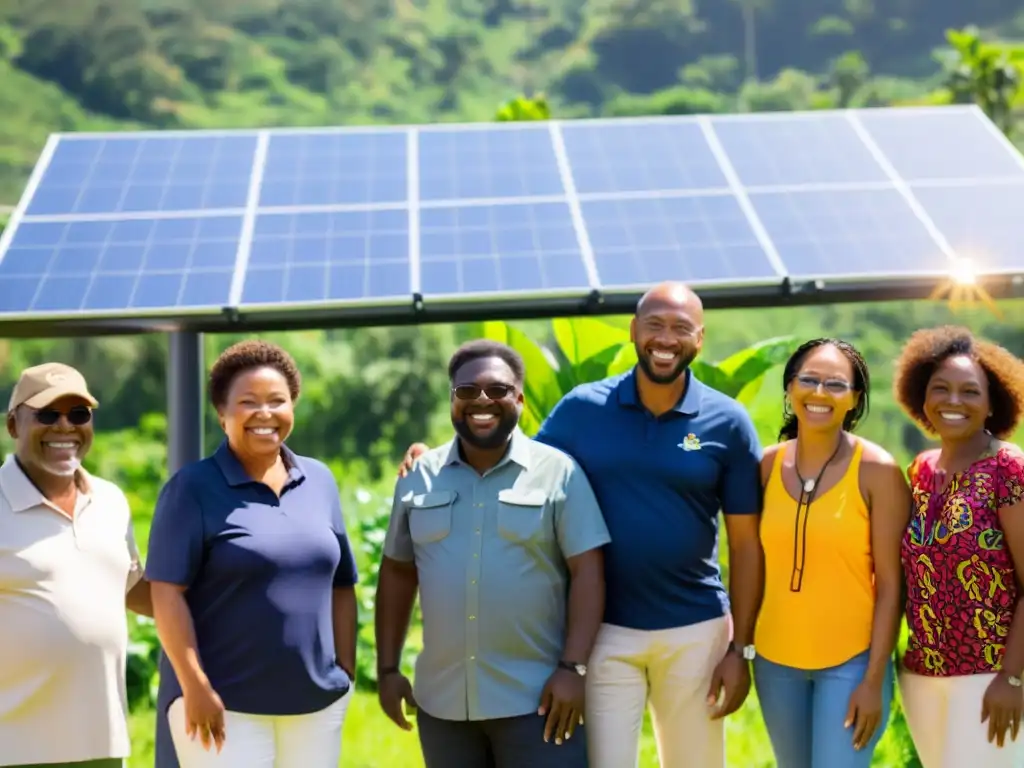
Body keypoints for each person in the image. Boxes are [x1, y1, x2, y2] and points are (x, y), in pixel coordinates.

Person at [398, 282, 764, 768]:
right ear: (633, 331)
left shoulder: (729, 422)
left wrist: (742, 649)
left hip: (695, 631)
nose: (666, 339)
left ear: (699, 338)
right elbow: (513, 453)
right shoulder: (583, 408)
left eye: (681, 328)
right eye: (654, 325)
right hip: (604, 634)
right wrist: (435, 455)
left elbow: (745, 545)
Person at [376, 339, 610, 768]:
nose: (482, 400)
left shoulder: (559, 473)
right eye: (467, 391)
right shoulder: (419, 478)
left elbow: (589, 573)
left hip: (538, 702)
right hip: (443, 707)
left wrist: (573, 669)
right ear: (451, 400)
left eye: (498, 390)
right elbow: (396, 573)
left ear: (519, 397)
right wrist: (388, 670)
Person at [146, 340, 359, 768]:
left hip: (315, 706)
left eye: (277, 401)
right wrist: (195, 686)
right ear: (222, 414)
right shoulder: (191, 489)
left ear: (292, 407)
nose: (265, 413)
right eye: (248, 402)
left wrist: (345, 675)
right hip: (223, 707)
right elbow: (166, 595)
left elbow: (342, 585)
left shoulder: (318, 480)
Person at [752, 339, 910, 768]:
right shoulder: (764, 466)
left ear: (855, 399)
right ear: (790, 389)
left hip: (852, 666)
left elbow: (892, 586)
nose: (820, 393)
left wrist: (874, 680)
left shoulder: (878, 470)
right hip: (774, 664)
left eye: (836, 384)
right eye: (808, 380)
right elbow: (749, 565)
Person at [0, 362, 152, 768]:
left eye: (78, 414)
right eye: (47, 415)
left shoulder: (110, 500)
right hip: (15, 747)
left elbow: (136, 590)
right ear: (14, 425)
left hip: (101, 746)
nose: (64, 426)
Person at [893, 326, 1024, 767]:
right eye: (940, 389)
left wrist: (1012, 677)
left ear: (992, 403)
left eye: (970, 391)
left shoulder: (1010, 468)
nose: (953, 401)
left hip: (989, 678)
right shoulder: (920, 470)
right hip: (922, 674)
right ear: (921, 397)